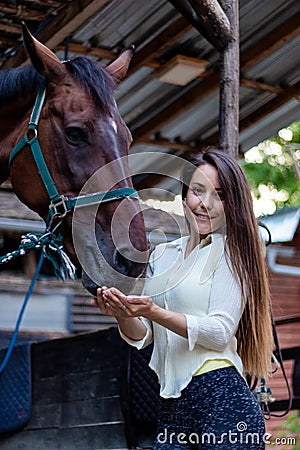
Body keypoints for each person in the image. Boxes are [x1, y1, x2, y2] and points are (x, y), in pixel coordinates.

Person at [91, 147, 273, 449]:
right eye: (197, 191)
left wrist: (154, 312)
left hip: (222, 400)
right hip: (172, 405)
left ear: (232, 204)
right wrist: (123, 312)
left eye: (220, 194)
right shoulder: (163, 255)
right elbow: (144, 336)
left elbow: (218, 333)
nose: (205, 204)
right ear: (184, 195)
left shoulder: (230, 254)